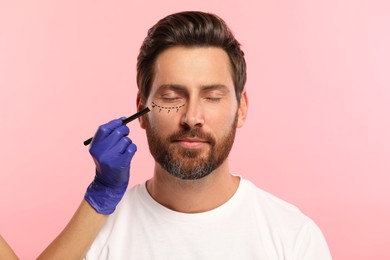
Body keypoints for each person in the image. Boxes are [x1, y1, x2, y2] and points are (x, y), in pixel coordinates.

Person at [39, 11, 332, 259]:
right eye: (170, 97)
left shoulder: (294, 239)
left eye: (212, 97)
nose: (192, 117)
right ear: (142, 109)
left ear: (241, 109)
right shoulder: (95, 237)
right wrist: (99, 198)